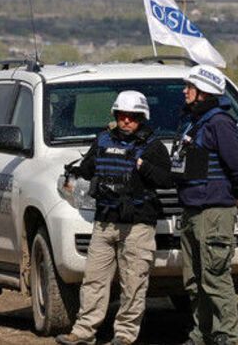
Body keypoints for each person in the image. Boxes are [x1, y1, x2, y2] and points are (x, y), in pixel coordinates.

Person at [56, 91, 176, 345]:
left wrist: (143, 166)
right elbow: (88, 169)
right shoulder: (102, 140)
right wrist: (73, 173)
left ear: (142, 118)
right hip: (105, 222)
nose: (126, 121)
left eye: (132, 117)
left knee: (133, 283)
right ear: (116, 115)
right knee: (93, 281)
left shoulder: (153, 146)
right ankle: (83, 332)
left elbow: (166, 180)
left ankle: (124, 335)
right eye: (122, 115)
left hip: (138, 226)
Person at [173, 65, 238, 345]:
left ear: (203, 92)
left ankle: (226, 336)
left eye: (189, 87)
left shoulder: (220, 123)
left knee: (214, 278)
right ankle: (201, 334)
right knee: (193, 281)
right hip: (192, 210)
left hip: (213, 212)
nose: (184, 91)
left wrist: (231, 196)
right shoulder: (194, 122)